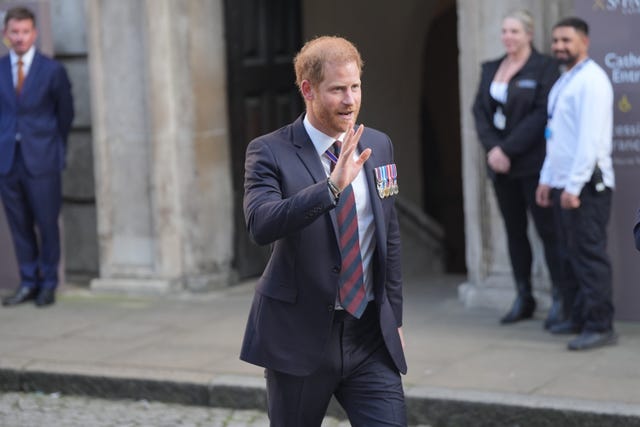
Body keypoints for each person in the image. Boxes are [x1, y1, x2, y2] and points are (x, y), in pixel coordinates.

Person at [240, 36, 407, 426]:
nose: (350, 100)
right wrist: (330, 188)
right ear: (308, 90)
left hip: (368, 335)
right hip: (300, 338)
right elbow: (260, 223)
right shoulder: (269, 151)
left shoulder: (378, 146)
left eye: (355, 87)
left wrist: (394, 320)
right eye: (338, 90)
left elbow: (390, 238)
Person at [472, 10, 564, 328]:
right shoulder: (491, 68)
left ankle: (562, 300)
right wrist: (494, 150)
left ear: (529, 34)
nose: (508, 37)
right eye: (504, 31)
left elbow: (541, 115)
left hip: (533, 165)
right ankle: (524, 296)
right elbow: (479, 112)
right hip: (501, 167)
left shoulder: (545, 68)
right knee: (514, 233)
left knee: (549, 232)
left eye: (514, 31)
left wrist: (507, 149)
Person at [536, 17, 616, 351]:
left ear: (584, 41)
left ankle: (601, 325)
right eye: (555, 41)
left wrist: (573, 186)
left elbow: (588, 141)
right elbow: (556, 138)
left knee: (588, 256)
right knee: (568, 255)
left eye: (566, 40)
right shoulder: (565, 80)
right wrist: (546, 179)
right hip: (563, 183)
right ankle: (579, 317)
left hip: (586, 187)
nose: (559, 47)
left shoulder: (592, 81)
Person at [0, 6, 74, 307]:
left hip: (42, 160)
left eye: (25, 31)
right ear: (6, 34)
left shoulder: (52, 71)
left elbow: (65, 115)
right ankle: (28, 281)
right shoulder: (1, 69)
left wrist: (54, 148)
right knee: (19, 225)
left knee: (46, 223)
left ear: (35, 33)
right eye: (14, 32)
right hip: (8, 161)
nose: (20, 37)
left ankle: (48, 284)